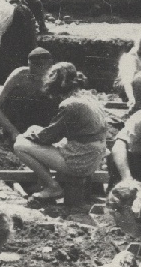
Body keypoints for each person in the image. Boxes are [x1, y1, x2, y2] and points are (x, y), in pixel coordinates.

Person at [13, 63, 108, 203]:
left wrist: (28, 133)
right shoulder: (89, 98)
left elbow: (47, 137)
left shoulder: (70, 104)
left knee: (20, 145)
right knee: (39, 136)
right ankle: (44, 185)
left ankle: (52, 187)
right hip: (92, 157)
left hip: (80, 162)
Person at [0, 47, 59, 140]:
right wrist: (13, 132)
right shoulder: (20, 75)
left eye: (40, 72)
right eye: (32, 72)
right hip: (16, 122)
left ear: (50, 66)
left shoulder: (55, 78)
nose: (35, 77)